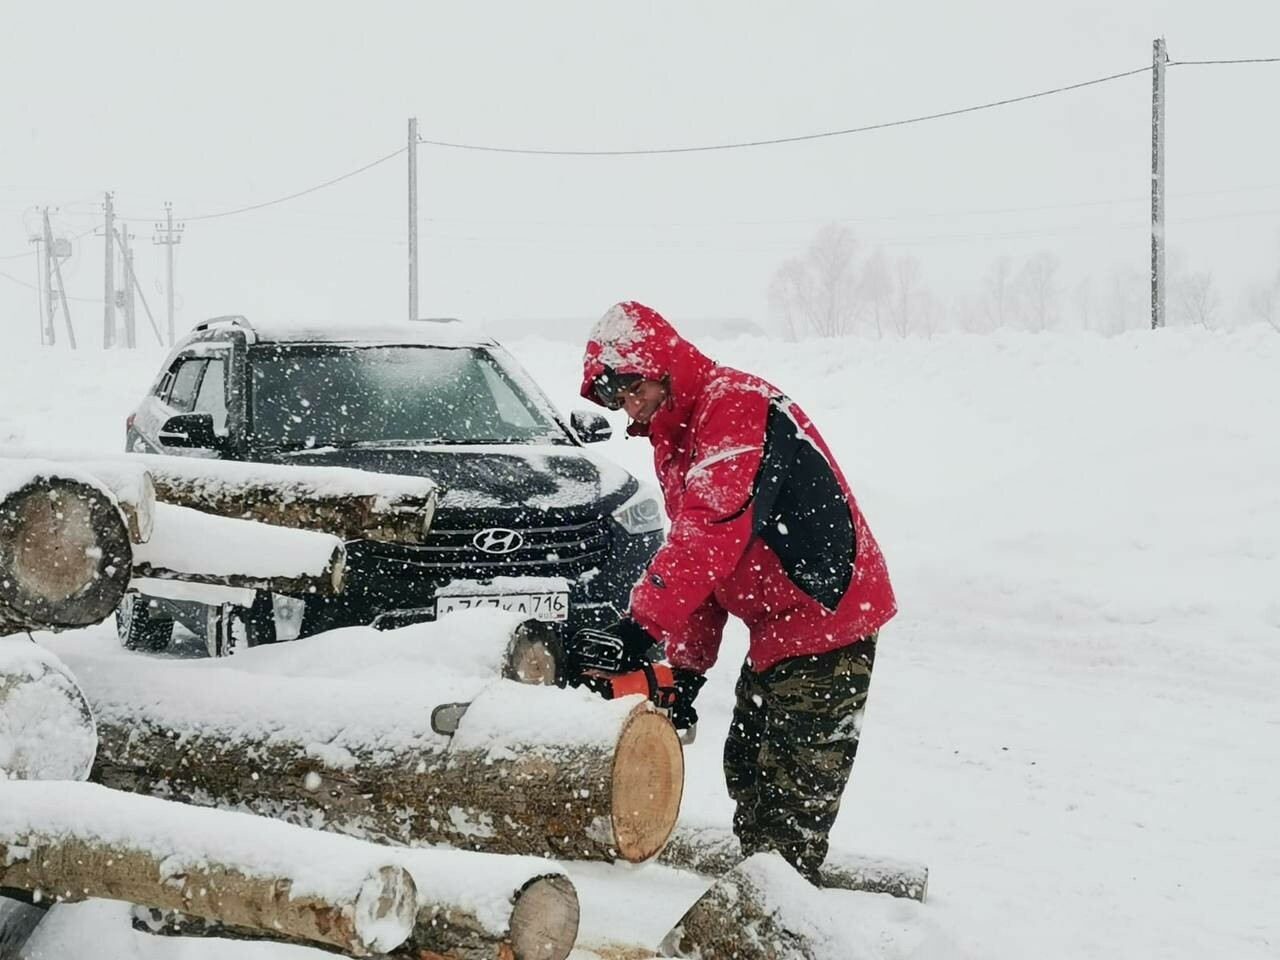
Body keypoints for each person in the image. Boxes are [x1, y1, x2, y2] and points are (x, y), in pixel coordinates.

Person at [578, 300, 897, 880]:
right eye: (615, 399)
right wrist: (686, 668)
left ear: (660, 364)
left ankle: (777, 909)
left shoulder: (734, 406)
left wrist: (640, 625)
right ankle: (758, 885)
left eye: (631, 389)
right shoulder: (674, 442)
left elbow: (711, 535)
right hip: (774, 626)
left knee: (792, 798)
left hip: (825, 617)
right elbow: (707, 566)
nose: (629, 406)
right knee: (746, 772)